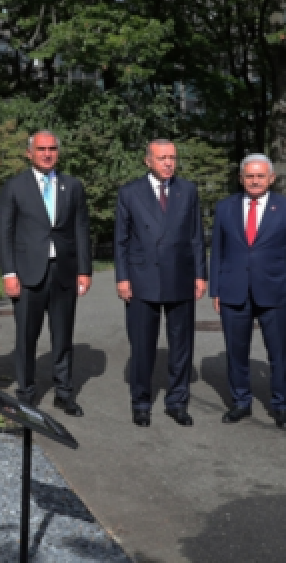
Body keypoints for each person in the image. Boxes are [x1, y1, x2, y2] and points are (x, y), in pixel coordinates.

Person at [0, 130, 92, 415]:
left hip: (63, 272)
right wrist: (9, 273)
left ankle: (64, 392)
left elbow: (81, 230)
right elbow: (5, 233)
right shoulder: (14, 187)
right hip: (28, 275)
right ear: (30, 153)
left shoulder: (72, 186)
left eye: (52, 148)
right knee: (26, 337)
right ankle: (26, 393)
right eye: (41, 149)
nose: (47, 154)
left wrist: (84, 270)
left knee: (63, 336)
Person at [209, 154, 286, 430]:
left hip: (276, 292)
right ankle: (240, 402)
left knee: (279, 353)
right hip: (233, 291)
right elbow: (217, 251)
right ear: (241, 178)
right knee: (236, 352)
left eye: (260, 176)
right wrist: (216, 288)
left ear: (271, 178)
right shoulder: (225, 207)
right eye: (249, 176)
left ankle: (283, 405)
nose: (254, 181)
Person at [114, 140, 207, 427]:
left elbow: (196, 236)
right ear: (148, 161)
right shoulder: (130, 193)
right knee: (142, 345)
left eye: (172, 158)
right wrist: (123, 277)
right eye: (162, 158)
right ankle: (141, 402)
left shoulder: (187, 190)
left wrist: (200, 275)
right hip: (143, 279)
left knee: (182, 345)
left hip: (180, 276)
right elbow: (121, 240)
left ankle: (177, 402)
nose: (168, 163)